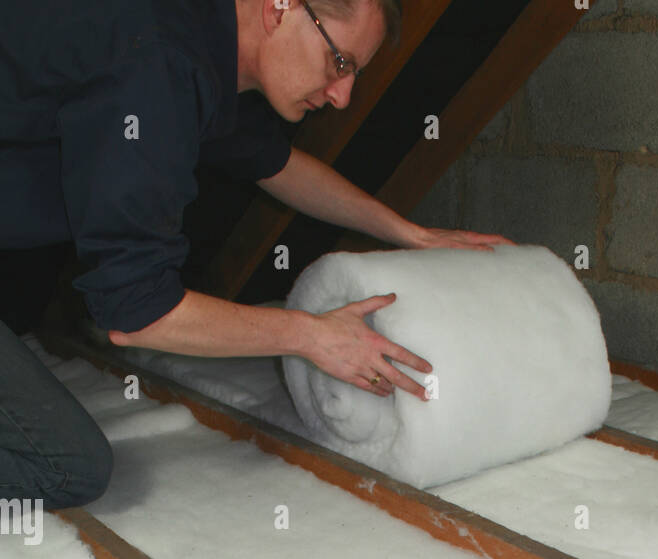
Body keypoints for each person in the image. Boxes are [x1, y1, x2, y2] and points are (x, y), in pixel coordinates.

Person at [0, 0, 509, 509]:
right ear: (279, 9)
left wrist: (410, 233)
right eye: (340, 62)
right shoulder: (159, 62)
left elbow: (277, 164)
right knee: (66, 467)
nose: (343, 96)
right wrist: (312, 336)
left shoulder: (200, 40)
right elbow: (136, 312)